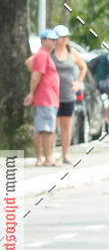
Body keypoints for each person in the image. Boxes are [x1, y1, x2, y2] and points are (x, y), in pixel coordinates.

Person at [24, 28, 60, 166]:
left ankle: (44, 158)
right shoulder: (43, 55)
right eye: (51, 40)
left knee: (45, 128)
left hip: (49, 98)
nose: (54, 42)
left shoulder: (42, 55)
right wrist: (32, 92)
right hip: (45, 98)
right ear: (43, 40)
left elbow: (28, 63)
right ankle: (46, 158)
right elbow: (36, 75)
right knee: (46, 129)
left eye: (55, 40)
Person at [52, 25, 87, 164]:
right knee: (52, 127)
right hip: (52, 96)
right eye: (62, 37)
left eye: (66, 37)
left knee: (66, 127)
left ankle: (65, 155)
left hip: (68, 95)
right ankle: (50, 156)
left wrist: (78, 82)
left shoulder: (72, 53)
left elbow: (83, 66)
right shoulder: (50, 53)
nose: (64, 39)